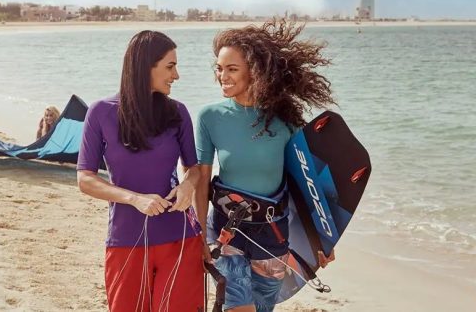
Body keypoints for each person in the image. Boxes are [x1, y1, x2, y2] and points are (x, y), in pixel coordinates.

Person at [195, 19, 337, 312]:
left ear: (255, 71)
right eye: (219, 68)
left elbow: (305, 184)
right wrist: (197, 233)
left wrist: (322, 239)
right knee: (239, 307)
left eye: (232, 69)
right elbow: (201, 181)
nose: (222, 76)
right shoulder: (210, 117)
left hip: (272, 233)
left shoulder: (284, 121)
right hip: (226, 229)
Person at [76, 30, 204, 311]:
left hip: (180, 236)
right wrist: (135, 198)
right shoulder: (100, 112)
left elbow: (193, 168)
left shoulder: (178, 112)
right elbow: (85, 179)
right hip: (126, 238)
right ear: (146, 66)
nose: (176, 75)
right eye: (170, 66)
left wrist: (188, 185)